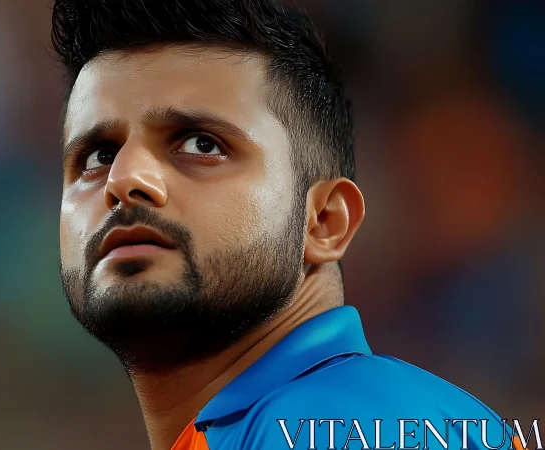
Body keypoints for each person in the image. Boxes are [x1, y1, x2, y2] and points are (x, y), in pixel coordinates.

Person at [52, 1, 518, 449]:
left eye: (200, 143)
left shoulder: (337, 425)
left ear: (325, 222)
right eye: (98, 155)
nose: (124, 178)